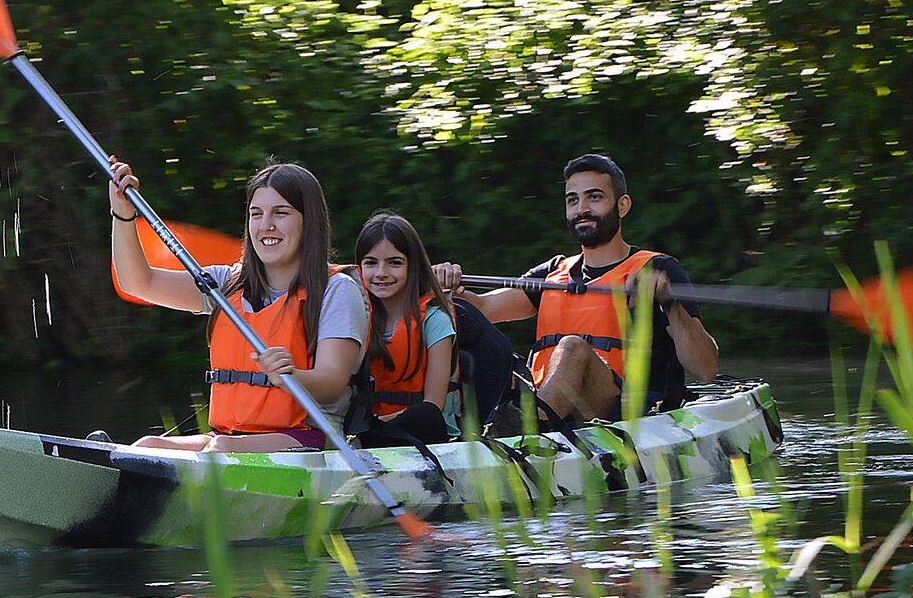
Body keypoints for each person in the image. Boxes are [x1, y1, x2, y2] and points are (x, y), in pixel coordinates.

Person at [108, 158, 369, 452]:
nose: (265, 225)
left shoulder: (336, 290)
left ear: (309, 221)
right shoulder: (227, 284)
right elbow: (139, 284)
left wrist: (292, 376)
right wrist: (122, 213)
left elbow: (333, 381)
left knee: (219, 451)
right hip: (229, 437)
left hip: (312, 438)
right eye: (256, 214)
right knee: (147, 445)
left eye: (280, 213)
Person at [435, 153, 719, 423]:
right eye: (573, 200)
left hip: (621, 411)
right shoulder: (553, 273)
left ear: (622, 205)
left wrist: (671, 305)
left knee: (572, 348)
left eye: (594, 197)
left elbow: (705, 369)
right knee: (477, 345)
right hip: (545, 399)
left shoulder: (656, 270)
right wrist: (444, 287)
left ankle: (529, 429)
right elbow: (483, 310)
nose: (582, 209)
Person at [352, 211, 458, 446]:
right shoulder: (355, 319)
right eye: (371, 263)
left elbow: (434, 403)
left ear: (413, 266)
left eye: (394, 263)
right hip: (367, 428)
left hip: (421, 432)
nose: (381, 273)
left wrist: (379, 423)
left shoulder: (436, 321)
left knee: (424, 415)